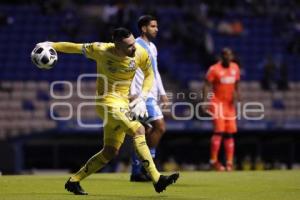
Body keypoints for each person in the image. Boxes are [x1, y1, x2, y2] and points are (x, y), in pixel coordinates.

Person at [36, 28, 179, 195]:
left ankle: (74, 181)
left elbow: (149, 74)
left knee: (110, 151)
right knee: (138, 129)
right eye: (129, 46)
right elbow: (74, 47)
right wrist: (50, 44)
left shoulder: (139, 52)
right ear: (117, 46)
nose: (134, 47)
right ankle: (157, 179)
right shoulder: (101, 50)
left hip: (124, 104)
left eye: (134, 43)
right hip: (107, 103)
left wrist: (142, 96)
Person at [129, 15, 169, 182]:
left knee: (145, 131)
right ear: (144, 28)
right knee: (159, 127)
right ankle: (147, 165)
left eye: (156, 26)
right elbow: (128, 69)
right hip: (140, 95)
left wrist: (163, 92)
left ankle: (138, 170)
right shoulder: (135, 46)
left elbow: (155, 71)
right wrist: (132, 93)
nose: (156, 29)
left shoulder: (152, 47)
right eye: (153, 26)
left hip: (150, 94)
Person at [202, 48, 241, 171]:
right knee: (219, 131)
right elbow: (206, 85)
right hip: (217, 103)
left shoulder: (235, 68)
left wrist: (237, 94)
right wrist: (205, 101)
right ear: (221, 57)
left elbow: (237, 83)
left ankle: (229, 163)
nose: (227, 57)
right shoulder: (214, 69)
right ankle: (214, 160)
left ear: (232, 56)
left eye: (229, 55)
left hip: (229, 105)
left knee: (229, 133)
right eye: (225, 55)